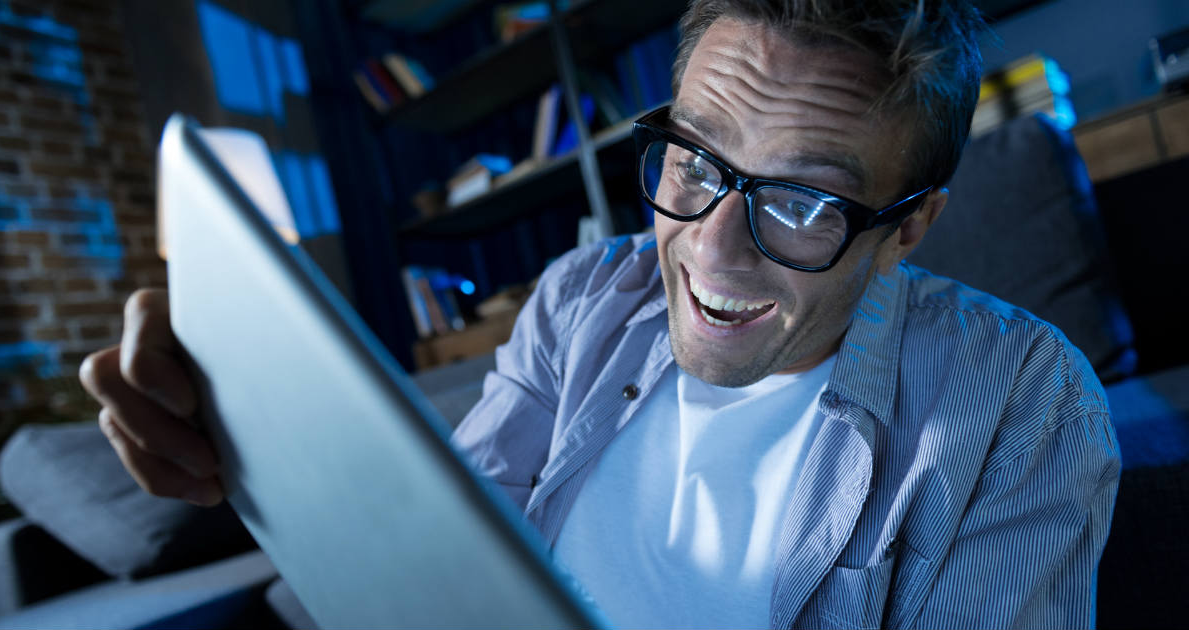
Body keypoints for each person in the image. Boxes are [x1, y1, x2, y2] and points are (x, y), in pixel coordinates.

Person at [80, 0, 1120, 627]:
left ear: (909, 227)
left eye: (803, 202)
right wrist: (249, 428)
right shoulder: (584, 297)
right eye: (695, 160)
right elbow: (440, 547)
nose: (710, 249)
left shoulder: (1027, 405)